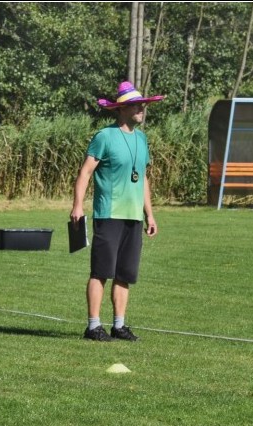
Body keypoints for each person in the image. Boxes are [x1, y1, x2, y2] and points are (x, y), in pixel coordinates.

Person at [71, 81, 164, 342]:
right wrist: (77, 205)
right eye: (137, 105)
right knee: (101, 271)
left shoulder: (142, 139)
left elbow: (143, 178)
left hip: (133, 216)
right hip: (109, 214)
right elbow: (85, 172)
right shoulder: (105, 136)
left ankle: (119, 326)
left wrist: (150, 214)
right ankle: (92, 326)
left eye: (143, 105)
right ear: (122, 109)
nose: (142, 109)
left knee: (125, 274)